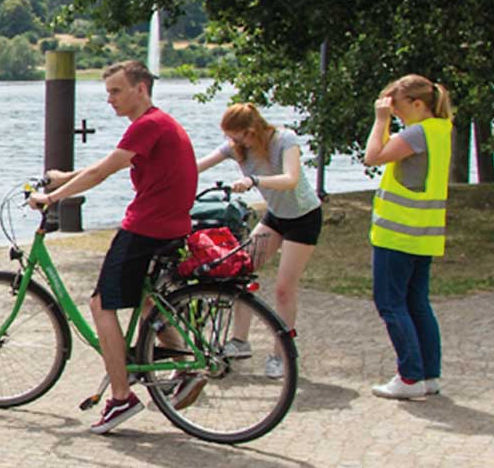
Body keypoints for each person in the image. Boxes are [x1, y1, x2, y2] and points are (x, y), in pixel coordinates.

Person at [30, 60, 197, 432]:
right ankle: (186, 363)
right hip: (172, 227)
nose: (110, 100)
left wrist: (52, 197)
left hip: (146, 228)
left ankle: (121, 398)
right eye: (107, 93)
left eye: (117, 91)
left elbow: (102, 172)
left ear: (141, 89)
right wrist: (66, 177)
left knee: (101, 304)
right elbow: (110, 164)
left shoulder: (148, 125)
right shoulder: (160, 125)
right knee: (148, 299)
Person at [195, 103, 322, 379]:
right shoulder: (235, 147)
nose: (233, 143)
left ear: (251, 132)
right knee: (239, 270)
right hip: (275, 216)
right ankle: (240, 342)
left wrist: (254, 180)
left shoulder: (284, 140)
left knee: (284, 289)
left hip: (303, 218)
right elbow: (198, 165)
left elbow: (291, 179)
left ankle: (282, 355)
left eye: (237, 137)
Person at [361, 74, 453, 400]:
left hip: (397, 233)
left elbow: (373, 156)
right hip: (424, 233)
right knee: (417, 303)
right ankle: (429, 375)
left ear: (417, 104)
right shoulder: (441, 129)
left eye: (398, 109)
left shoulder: (416, 134)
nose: (395, 115)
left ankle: (410, 377)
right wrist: (390, 120)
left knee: (390, 303)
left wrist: (379, 120)